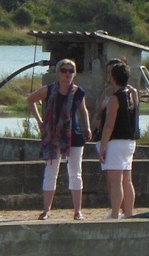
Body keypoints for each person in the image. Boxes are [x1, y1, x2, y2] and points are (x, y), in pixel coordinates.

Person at [27, 58, 92, 220]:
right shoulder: (49, 90)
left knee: (75, 172)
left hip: (73, 135)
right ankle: (46, 210)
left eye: (71, 71)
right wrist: (40, 121)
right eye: (64, 70)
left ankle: (77, 211)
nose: (67, 74)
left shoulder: (78, 92)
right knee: (51, 172)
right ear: (58, 73)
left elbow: (83, 110)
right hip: (54, 135)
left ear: (74, 74)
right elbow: (30, 100)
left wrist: (87, 127)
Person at [96, 61, 140, 220]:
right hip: (129, 142)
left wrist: (102, 146)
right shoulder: (132, 94)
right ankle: (128, 213)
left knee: (115, 181)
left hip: (116, 142)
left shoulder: (115, 98)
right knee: (127, 180)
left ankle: (115, 214)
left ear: (113, 78)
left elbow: (109, 126)